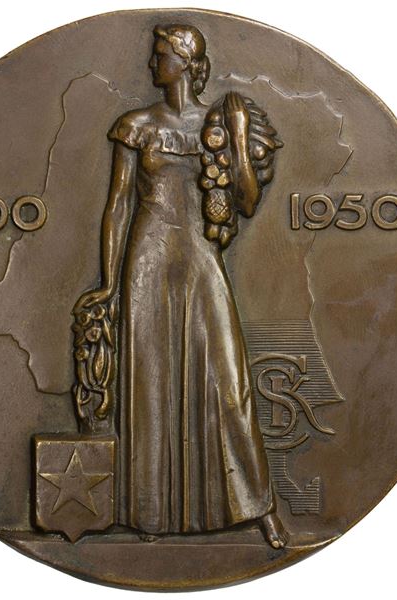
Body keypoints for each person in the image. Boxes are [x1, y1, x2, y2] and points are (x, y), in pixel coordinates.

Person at [74, 24, 287, 548]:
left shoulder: (222, 121)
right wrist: (109, 281)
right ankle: (151, 515)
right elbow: (118, 205)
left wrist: (238, 137)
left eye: (161, 55)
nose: (152, 64)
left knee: (229, 383)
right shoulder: (136, 126)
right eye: (154, 55)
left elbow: (246, 202)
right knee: (149, 386)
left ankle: (259, 507)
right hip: (147, 258)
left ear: (186, 63)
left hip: (200, 255)